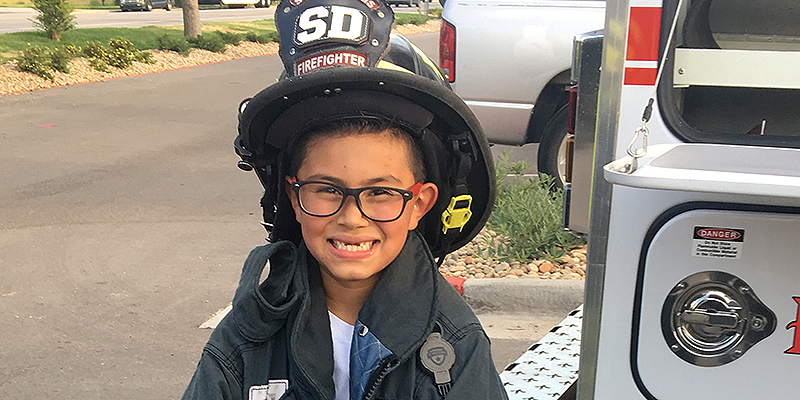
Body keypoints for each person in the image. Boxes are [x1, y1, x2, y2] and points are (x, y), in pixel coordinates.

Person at [181, 0, 507, 398]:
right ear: (292, 196)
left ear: (419, 204)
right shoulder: (244, 341)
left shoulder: (456, 345)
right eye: (327, 190)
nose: (352, 219)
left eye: (381, 193)